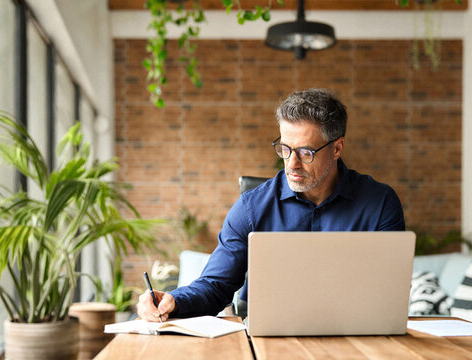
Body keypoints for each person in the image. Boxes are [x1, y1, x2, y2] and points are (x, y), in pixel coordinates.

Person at [137, 88, 405, 321]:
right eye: (285, 148)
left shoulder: (380, 203)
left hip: (355, 333)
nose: (292, 163)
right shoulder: (251, 207)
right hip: (268, 339)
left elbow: (388, 290)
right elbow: (215, 285)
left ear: (337, 148)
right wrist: (174, 301)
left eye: (306, 152)